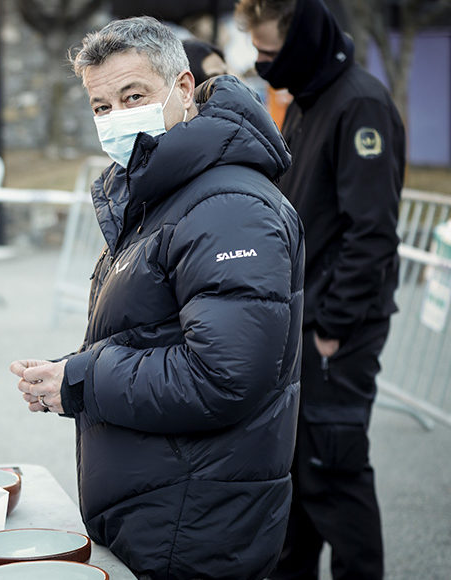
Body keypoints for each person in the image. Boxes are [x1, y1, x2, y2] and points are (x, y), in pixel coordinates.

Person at [9, 16, 304, 580]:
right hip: (164, 504)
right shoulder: (164, 191)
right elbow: (150, 331)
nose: (117, 117)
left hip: (193, 519)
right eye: (101, 106)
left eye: (134, 96)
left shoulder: (228, 206)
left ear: (184, 88)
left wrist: (83, 381)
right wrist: (67, 372)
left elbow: (223, 375)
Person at [235, 1, 405, 578]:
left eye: (269, 51)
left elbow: (372, 232)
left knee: (334, 473)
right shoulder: (309, 100)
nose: (261, 62)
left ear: (303, 41)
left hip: (333, 331)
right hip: (302, 323)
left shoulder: (359, 104)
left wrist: (332, 327)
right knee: (297, 479)